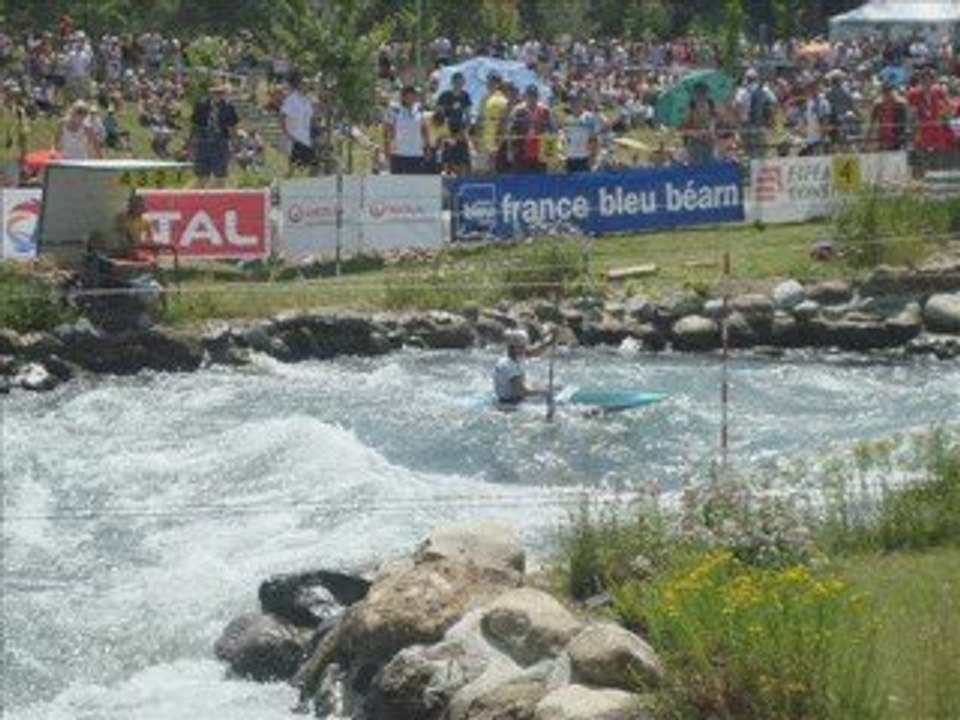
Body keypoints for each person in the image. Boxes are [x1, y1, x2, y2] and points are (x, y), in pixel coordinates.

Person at [190, 80, 239, 188]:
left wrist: (235, 144)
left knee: (220, 176)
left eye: (221, 92)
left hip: (220, 142)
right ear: (210, 92)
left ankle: (219, 201)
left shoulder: (229, 107)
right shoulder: (201, 105)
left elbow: (232, 127)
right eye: (215, 92)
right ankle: (197, 201)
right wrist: (191, 144)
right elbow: (195, 126)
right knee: (201, 175)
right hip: (203, 141)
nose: (218, 95)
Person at [493, 328, 555, 405]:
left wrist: (548, 342)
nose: (524, 349)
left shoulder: (515, 356)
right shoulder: (507, 365)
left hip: (516, 399)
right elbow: (523, 391)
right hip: (510, 404)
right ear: (513, 347)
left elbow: (533, 352)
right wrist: (545, 392)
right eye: (522, 346)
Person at [507, 84, 554, 174]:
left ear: (538, 96)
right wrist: (510, 150)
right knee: (521, 180)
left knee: (540, 180)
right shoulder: (517, 110)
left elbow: (551, 130)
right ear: (525, 96)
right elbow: (510, 131)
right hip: (521, 152)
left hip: (540, 153)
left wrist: (550, 153)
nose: (532, 98)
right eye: (530, 95)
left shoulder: (545, 110)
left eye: (534, 95)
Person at [384, 84, 429, 174]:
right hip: (398, 153)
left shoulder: (419, 109)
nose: (411, 99)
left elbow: (424, 130)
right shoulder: (395, 110)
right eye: (408, 96)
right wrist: (387, 149)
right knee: (398, 184)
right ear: (403, 97)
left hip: (416, 154)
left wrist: (427, 148)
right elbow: (388, 131)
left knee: (414, 184)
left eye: (413, 96)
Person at [435, 71, 472, 175]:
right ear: (452, 82)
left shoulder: (465, 96)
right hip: (447, 130)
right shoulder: (444, 95)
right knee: (447, 159)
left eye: (461, 82)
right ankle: (447, 178)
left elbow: (468, 116)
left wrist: (465, 131)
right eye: (456, 81)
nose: (459, 84)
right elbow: (439, 116)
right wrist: (444, 133)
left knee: (462, 159)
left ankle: (461, 179)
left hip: (460, 131)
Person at [280, 71, 316, 174]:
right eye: (304, 84)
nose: (306, 86)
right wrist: (287, 134)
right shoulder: (291, 99)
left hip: (306, 138)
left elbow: (311, 117)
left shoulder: (307, 100)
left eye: (308, 84)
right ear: (298, 84)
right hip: (294, 138)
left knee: (308, 167)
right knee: (294, 167)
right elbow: (282, 116)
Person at [562, 91, 599, 173]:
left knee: (584, 185)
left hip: (584, 158)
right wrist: (564, 156)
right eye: (571, 101)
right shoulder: (567, 119)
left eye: (576, 101)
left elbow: (594, 139)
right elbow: (566, 138)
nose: (573, 104)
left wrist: (592, 158)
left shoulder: (590, 117)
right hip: (570, 158)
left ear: (581, 102)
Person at [681, 81, 716, 165]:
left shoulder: (711, 103)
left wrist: (711, 130)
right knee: (695, 165)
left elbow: (713, 119)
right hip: (694, 142)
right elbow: (684, 127)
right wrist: (694, 133)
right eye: (701, 92)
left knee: (708, 164)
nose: (704, 95)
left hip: (708, 141)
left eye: (706, 92)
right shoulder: (691, 106)